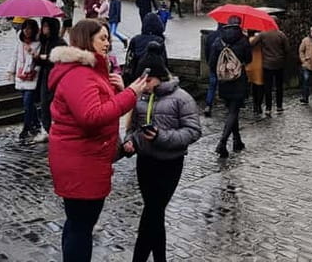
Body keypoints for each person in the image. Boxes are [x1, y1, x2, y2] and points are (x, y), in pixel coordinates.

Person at [47, 20, 148, 261]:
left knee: (77, 224)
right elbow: (91, 117)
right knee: (81, 227)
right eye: (102, 38)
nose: (107, 43)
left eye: (108, 38)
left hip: (86, 159)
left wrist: (120, 90)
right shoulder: (80, 75)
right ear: (86, 40)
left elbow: (102, 107)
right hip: (81, 162)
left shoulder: (90, 72)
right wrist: (130, 94)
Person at [122, 43, 201, 262]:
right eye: (142, 80)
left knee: (152, 213)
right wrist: (130, 142)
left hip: (169, 164)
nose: (144, 85)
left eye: (148, 80)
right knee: (154, 214)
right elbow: (131, 128)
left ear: (159, 77)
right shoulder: (140, 97)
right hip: (145, 162)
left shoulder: (182, 98)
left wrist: (161, 136)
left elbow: (193, 131)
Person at [208, 16, 252, 158]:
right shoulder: (243, 40)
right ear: (239, 24)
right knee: (233, 111)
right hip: (238, 80)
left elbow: (211, 63)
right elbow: (249, 59)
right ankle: (222, 143)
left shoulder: (219, 40)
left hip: (224, 81)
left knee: (232, 111)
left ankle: (237, 140)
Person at [32, 17, 66, 144]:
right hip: (45, 75)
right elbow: (41, 61)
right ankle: (47, 128)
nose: (44, 29)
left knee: (54, 102)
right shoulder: (44, 42)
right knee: (44, 102)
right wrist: (37, 58)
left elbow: (61, 59)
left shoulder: (60, 42)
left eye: (46, 26)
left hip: (56, 76)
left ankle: (56, 127)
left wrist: (45, 58)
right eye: (43, 26)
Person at [6, 18, 41, 140]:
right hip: (20, 77)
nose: (27, 31)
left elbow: (40, 61)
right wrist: (10, 71)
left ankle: (26, 128)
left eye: (30, 28)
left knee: (27, 103)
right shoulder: (20, 43)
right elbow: (15, 57)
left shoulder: (39, 43)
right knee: (29, 104)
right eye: (25, 28)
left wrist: (34, 67)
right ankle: (36, 124)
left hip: (32, 77)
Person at [249, 26, 290, 116]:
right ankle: (279, 106)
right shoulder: (281, 34)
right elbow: (287, 49)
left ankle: (268, 107)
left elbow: (252, 44)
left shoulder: (263, 34)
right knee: (279, 86)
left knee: (268, 87)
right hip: (279, 64)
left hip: (267, 64)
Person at [126, 12, 167, 83]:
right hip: (155, 77)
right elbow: (164, 61)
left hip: (137, 77)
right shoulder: (159, 40)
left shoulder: (135, 39)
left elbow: (129, 59)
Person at [202, 23, 223, 117]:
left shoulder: (211, 36)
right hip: (224, 66)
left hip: (213, 65)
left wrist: (209, 62)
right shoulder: (227, 37)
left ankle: (208, 105)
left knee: (212, 86)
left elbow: (206, 51)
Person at [246, 30, 265, 115]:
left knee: (253, 86)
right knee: (260, 86)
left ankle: (254, 105)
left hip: (250, 65)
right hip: (260, 65)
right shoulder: (261, 41)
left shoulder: (248, 40)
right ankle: (259, 105)